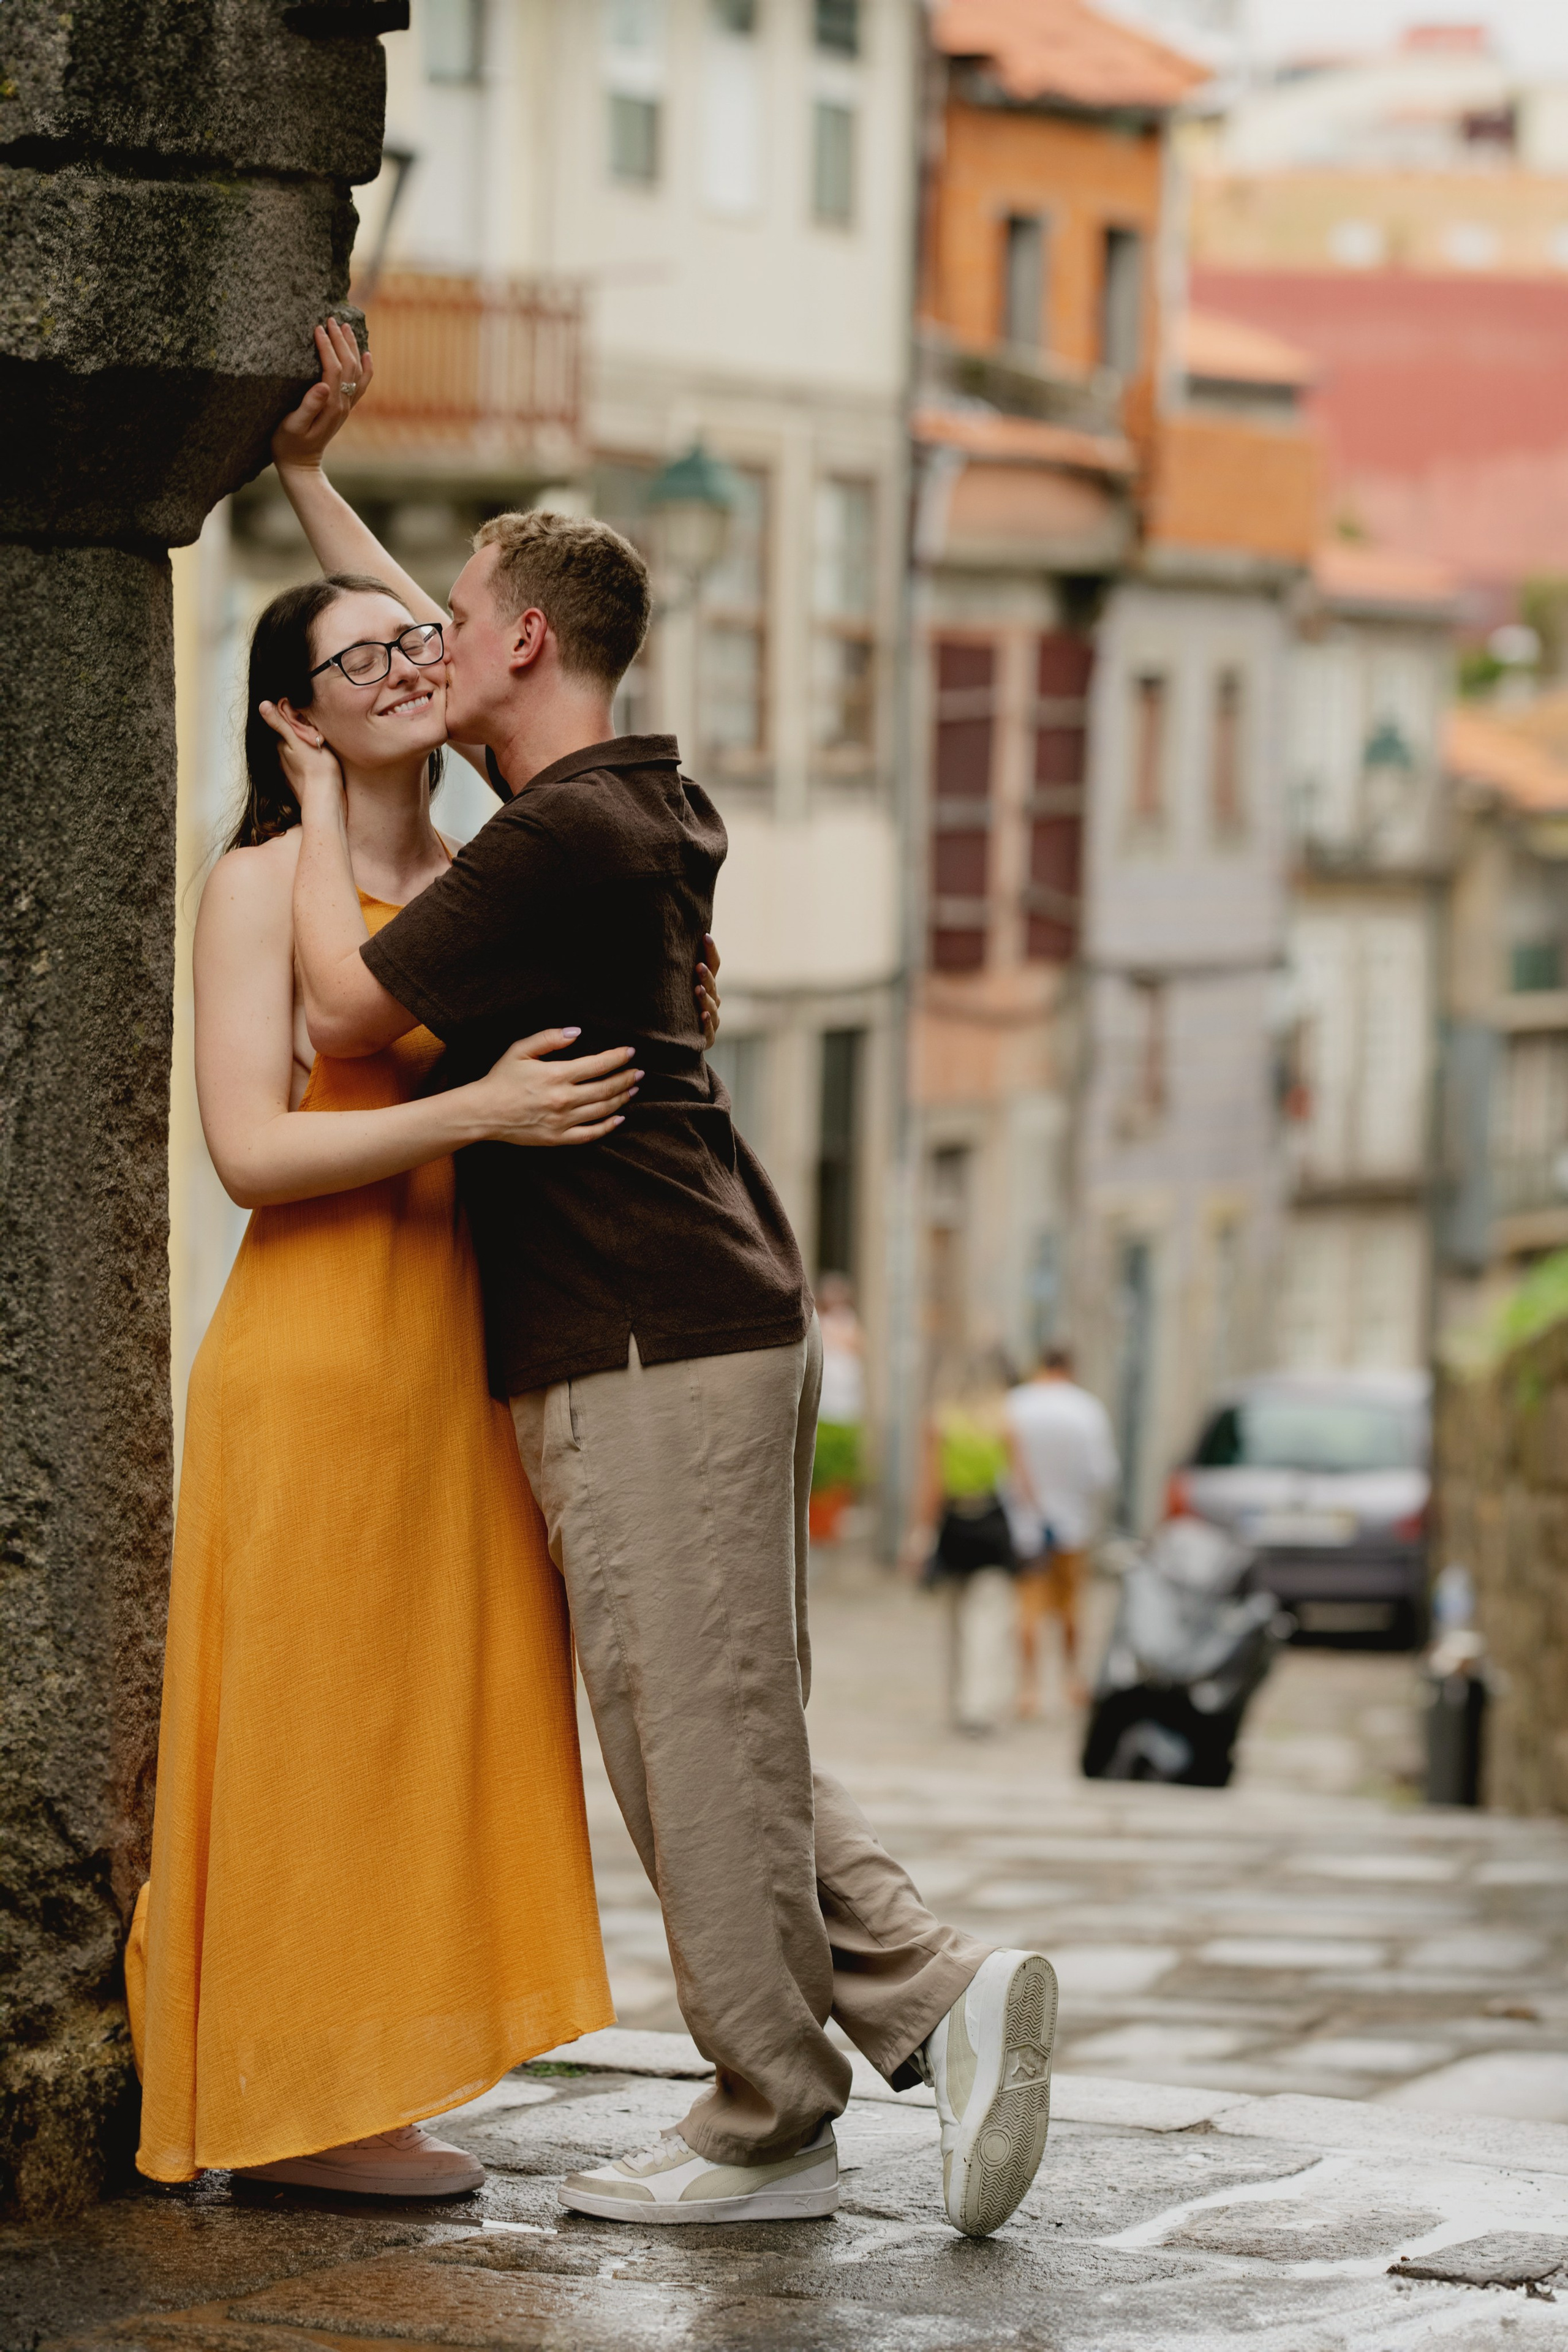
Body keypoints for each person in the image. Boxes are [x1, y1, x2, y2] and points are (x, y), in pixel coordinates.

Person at [259, 318, 1059, 2238]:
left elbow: (350, 999)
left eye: (452, 615)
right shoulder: (622, 793)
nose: (415, 639)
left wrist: (298, 781)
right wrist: (306, 481)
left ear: (524, 642)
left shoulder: (561, 836)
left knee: (677, 1723)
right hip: (684, 1309)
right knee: (719, 1709)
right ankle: (934, 1999)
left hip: (645, 1326)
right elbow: (416, 648)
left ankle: (768, 2119)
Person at [128, 530, 722, 2191]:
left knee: (419, 1725)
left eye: (420, 643)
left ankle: (371, 2078)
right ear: (289, 722)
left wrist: (314, 473)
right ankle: (281, 2105)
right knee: (315, 1724)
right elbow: (247, 1152)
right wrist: (478, 1113)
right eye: (361, 661)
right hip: (319, 1355)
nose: (406, 663)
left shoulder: (484, 866)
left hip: (458, 1349)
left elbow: (495, 646)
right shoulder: (254, 885)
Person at [1006, 1347, 1118, 1714]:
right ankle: (1073, 1681)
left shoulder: (1016, 1404)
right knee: (1070, 1606)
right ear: (1070, 1368)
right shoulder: (1087, 1409)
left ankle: (1028, 1689)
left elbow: (1003, 1466)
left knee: (1028, 1608)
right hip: (1072, 1524)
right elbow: (1102, 1474)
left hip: (1025, 1525)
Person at [915, 1352, 1020, 1736]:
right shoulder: (1003, 1422)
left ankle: (962, 1702)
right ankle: (981, 1704)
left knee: (957, 1620)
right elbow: (1018, 1483)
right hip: (992, 1523)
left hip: (955, 1526)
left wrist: (920, 1536)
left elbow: (932, 1486)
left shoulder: (940, 1423)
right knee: (989, 1620)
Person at [809, 1272, 865, 1543]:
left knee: (841, 1466)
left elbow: (855, 1345)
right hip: (826, 1406)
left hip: (845, 1406)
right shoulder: (817, 1321)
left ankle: (833, 1521)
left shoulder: (849, 1322)